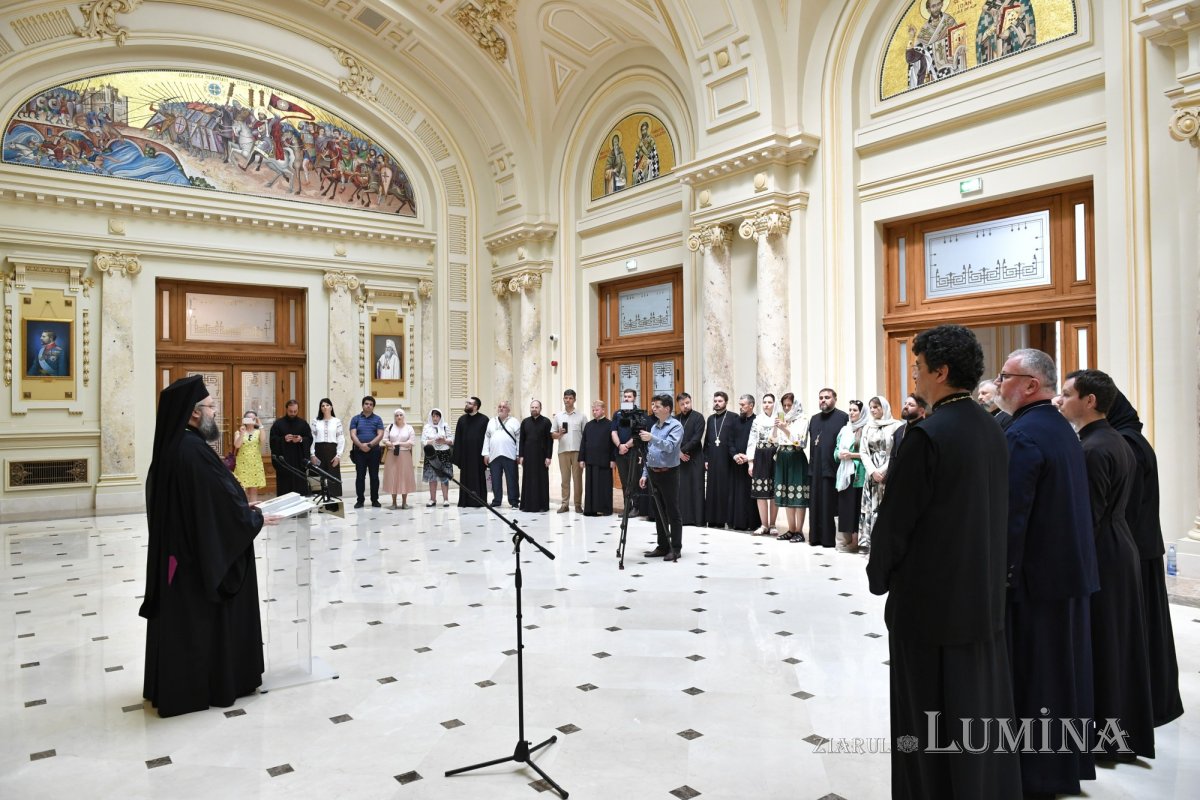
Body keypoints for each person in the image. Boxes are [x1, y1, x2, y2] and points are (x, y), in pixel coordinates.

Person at [866, 324, 1021, 800]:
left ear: (942, 371)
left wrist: (880, 575)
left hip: (929, 605)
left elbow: (896, 523)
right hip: (981, 597)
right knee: (974, 711)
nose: (914, 373)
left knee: (925, 718)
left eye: (918, 366)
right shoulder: (991, 428)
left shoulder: (926, 435)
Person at [995, 348, 1099, 797]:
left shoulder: (1024, 435)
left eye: (1005, 376)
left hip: (1035, 580)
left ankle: (1037, 774)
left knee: (1037, 680)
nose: (999, 384)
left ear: (1031, 385)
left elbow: (1012, 515)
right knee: (1063, 676)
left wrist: (1000, 575)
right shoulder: (1059, 428)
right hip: (1067, 573)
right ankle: (1063, 766)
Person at [140, 375, 274, 717]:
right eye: (212, 406)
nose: (216, 412)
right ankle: (218, 682)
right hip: (199, 564)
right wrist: (253, 518)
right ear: (194, 413)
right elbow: (223, 506)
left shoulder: (173, 448)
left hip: (180, 561)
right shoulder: (193, 451)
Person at [1059, 369, 1156, 761]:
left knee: (1105, 643)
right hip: (1120, 546)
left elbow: (1091, 517)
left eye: (1066, 394)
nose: (1060, 400)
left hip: (1105, 551)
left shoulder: (1094, 448)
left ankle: (1106, 737)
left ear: (1090, 401)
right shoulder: (1109, 439)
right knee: (1116, 642)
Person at [1107, 390, 1184, 726]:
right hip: (1142, 547)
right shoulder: (1133, 440)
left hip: (1137, 549)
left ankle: (1149, 704)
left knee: (1141, 632)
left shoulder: (1127, 444)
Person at [639, 394, 684, 561]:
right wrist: (645, 473)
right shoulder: (654, 426)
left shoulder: (675, 426)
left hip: (669, 473)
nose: (653, 409)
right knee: (658, 511)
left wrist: (652, 438)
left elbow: (670, 447)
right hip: (653, 472)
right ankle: (662, 545)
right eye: (653, 406)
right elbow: (650, 452)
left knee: (673, 511)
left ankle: (676, 548)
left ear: (667, 408)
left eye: (657, 406)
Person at [857, 396, 900, 552]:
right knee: (870, 506)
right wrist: (872, 471)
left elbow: (896, 452)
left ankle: (886, 542)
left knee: (885, 506)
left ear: (884, 407)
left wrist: (882, 470)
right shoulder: (868, 427)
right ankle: (869, 541)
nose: (874, 410)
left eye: (877, 407)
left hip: (888, 471)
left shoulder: (896, 426)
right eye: (871, 407)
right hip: (871, 472)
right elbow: (863, 452)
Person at [807, 388, 849, 548]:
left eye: (827, 397)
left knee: (830, 505)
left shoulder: (843, 417)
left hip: (834, 468)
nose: (823, 400)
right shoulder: (814, 419)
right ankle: (815, 537)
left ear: (835, 399)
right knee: (816, 504)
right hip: (815, 468)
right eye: (820, 398)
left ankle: (830, 539)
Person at [772, 392, 809, 541]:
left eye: (789, 405)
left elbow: (800, 441)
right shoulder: (782, 418)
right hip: (782, 457)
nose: (787, 408)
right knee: (787, 495)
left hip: (796, 456)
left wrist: (785, 428)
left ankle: (799, 531)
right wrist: (776, 427)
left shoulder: (803, 419)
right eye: (785, 405)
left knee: (798, 494)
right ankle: (791, 529)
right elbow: (773, 439)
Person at [611, 388, 650, 517]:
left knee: (634, 480)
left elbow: (640, 433)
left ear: (634, 398)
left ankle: (636, 507)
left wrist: (626, 445)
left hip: (635, 452)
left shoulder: (640, 414)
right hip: (620, 452)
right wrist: (619, 445)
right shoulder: (617, 414)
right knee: (624, 481)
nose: (626, 399)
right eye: (625, 396)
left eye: (629, 397)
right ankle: (627, 506)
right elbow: (613, 432)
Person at [834, 400, 867, 552]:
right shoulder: (844, 429)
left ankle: (857, 541)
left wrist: (852, 455)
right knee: (846, 507)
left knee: (858, 507)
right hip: (844, 473)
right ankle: (847, 540)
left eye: (855, 410)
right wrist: (839, 455)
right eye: (850, 409)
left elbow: (868, 453)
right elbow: (836, 450)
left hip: (859, 474)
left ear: (862, 412)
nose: (852, 413)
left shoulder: (866, 429)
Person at [747, 392, 780, 535]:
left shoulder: (779, 419)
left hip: (775, 456)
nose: (767, 404)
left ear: (774, 403)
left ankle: (773, 524)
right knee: (760, 493)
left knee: (773, 492)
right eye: (765, 402)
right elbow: (752, 440)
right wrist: (750, 462)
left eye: (769, 402)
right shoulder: (757, 420)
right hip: (760, 456)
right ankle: (764, 525)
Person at [703, 391, 736, 528]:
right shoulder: (710, 419)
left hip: (727, 459)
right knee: (712, 490)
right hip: (713, 458)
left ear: (726, 402)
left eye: (720, 401)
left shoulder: (733, 417)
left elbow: (735, 439)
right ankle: (712, 519)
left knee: (724, 490)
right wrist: (705, 458)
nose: (717, 403)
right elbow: (707, 441)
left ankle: (724, 519)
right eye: (715, 401)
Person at [269, 399, 313, 497]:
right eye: (290, 411)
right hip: (284, 462)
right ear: (286, 409)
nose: (293, 413)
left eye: (295, 411)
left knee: (300, 488)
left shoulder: (303, 423)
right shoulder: (278, 424)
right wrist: (283, 439)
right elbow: (272, 440)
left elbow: (309, 438)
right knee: (285, 489)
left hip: (299, 461)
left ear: (298, 410)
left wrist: (301, 439)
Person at [551, 390, 586, 513]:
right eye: (565, 398)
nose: (567, 400)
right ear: (563, 399)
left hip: (577, 452)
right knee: (565, 479)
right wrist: (559, 434)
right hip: (563, 452)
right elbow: (552, 435)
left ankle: (577, 505)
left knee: (577, 479)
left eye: (570, 398)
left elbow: (585, 436)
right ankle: (564, 504)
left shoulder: (581, 416)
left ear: (574, 399)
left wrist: (584, 455)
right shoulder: (558, 416)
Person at [348, 396, 385, 509]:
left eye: (371, 404)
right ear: (362, 405)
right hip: (359, 452)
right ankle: (360, 500)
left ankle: (375, 500)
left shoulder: (378, 419)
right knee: (360, 476)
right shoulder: (355, 419)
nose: (368, 406)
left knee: (374, 477)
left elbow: (380, 434)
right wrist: (361, 445)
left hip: (374, 451)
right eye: (366, 404)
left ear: (373, 407)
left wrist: (369, 445)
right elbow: (353, 434)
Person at [674, 392, 705, 526]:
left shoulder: (698, 417)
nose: (685, 406)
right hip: (679, 459)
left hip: (695, 458)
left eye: (687, 403)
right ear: (679, 405)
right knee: (682, 489)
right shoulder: (675, 419)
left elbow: (696, 439)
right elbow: (671, 439)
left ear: (691, 402)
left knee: (696, 488)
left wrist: (682, 450)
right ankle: (684, 518)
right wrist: (678, 453)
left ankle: (698, 520)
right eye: (682, 404)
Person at [452, 396, 489, 507]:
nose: (467, 405)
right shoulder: (462, 420)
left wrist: (486, 454)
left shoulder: (484, 420)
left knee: (479, 478)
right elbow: (457, 439)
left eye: (469, 403)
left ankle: (480, 501)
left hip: (478, 456)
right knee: (465, 479)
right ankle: (465, 501)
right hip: (466, 456)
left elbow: (487, 439)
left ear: (476, 406)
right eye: (467, 403)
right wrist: (458, 457)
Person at [580, 400, 616, 515]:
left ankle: (605, 509)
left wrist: (613, 459)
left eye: (597, 410)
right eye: (593, 410)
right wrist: (581, 458)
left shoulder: (610, 424)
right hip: (590, 460)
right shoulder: (589, 425)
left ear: (603, 410)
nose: (594, 412)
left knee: (604, 487)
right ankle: (590, 509)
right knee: (590, 487)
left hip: (604, 461)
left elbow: (613, 444)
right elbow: (583, 442)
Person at [729, 394, 758, 531]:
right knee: (738, 494)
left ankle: (752, 523)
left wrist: (749, 457)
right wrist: (735, 455)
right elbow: (730, 441)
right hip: (737, 463)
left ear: (751, 405)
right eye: (740, 404)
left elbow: (760, 442)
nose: (740, 407)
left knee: (750, 494)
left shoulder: (757, 421)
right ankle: (738, 522)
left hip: (751, 463)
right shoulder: (735, 421)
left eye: (743, 405)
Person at [483, 400, 520, 508]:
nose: (501, 408)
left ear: (509, 409)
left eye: (504, 407)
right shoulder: (491, 421)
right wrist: (486, 453)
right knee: (495, 480)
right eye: (499, 406)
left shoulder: (514, 421)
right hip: (494, 456)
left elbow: (519, 439)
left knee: (512, 479)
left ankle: (514, 501)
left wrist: (518, 454)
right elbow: (487, 438)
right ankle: (496, 500)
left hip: (510, 455)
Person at [519, 400, 552, 512]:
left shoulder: (546, 422)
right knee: (528, 480)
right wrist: (521, 455)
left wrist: (548, 457)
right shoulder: (525, 422)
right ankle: (527, 505)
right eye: (532, 407)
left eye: (536, 407)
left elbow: (549, 441)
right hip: (528, 456)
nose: (534, 409)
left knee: (541, 480)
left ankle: (542, 506)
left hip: (541, 456)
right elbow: (521, 440)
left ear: (540, 408)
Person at [309, 398, 344, 502]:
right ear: (320, 408)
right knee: (321, 475)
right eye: (323, 405)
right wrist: (312, 454)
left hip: (332, 450)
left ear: (331, 407)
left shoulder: (336, 421)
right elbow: (312, 438)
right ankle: (323, 499)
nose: (325, 407)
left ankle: (334, 500)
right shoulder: (315, 421)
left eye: (327, 405)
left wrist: (338, 455)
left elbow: (341, 439)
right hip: (319, 450)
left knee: (333, 475)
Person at [381, 408, 417, 509]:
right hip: (392, 455)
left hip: (405, 455)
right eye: (397, 415)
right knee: (393, 477)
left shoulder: (409, 428)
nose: (399, 417)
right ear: (394, 417)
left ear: (404, 416)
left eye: (401, 415)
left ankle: (404, 503)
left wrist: (399, 443)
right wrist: (389, 443)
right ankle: (393, 503)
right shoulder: (390, 427)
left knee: (404, 478)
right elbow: (384, 439)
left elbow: (412, 442)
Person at [421, 408, 453, 507]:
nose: (435, 418)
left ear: (440, 417)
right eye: (433, 416)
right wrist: (432, 441)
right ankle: (432, 499)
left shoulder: (445, 426)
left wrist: (444, 441)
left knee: (444, 477)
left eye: (437, 416)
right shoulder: (426, 427)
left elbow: (451, 439)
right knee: (432, 477)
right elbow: (423, 441)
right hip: (431, 453)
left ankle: (446, 499)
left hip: (444, 453)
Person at [232, 410, 266, 503]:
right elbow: (237, 445)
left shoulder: (258, 431)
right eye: (248, 418)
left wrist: (260, 423)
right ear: (244, 419)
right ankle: (245, 510)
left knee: (254, 489)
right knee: (242, 488)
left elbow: (263, 440)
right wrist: (242, 433)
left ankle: (253, 511)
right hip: (242, 462)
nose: (251, 420)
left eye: (253, 418)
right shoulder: (238, 432)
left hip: (255, 462)